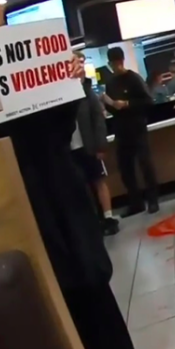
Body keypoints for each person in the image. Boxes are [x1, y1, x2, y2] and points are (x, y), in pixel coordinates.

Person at [0, 0, 155, 349]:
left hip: (59, 180)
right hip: (10, 192)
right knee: (49, 291)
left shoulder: (32, 50)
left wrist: (69, 82)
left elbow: (59, 124)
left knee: (91, 275)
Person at [102, 46, 159, 216]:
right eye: (112, 64)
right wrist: (109, 105)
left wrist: (127, 104)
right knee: (125, 168)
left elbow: (148, 101)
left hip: (137, 126)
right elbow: (110, 106)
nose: (115, 66)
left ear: (122, 61)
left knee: (145, 164)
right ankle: (136, 202)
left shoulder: (134, 78)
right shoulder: (110, 83)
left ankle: (153, 200)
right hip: (121, 128)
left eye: (117, 62)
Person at [69, 59, 119, 236]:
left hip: (88, 144)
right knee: (80, 185)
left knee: (98, 180)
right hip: (70, 149)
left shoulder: (87, 94)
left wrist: (100, 145)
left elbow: (98, 120)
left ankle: (108, 216)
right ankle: (92, 220)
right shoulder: (62, 97)